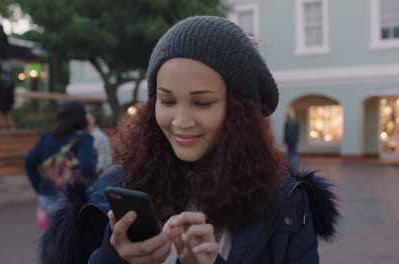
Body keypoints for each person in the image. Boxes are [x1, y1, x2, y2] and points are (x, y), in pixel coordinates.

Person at [41, 16, 339, 264]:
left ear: (239, 112)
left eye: (203, 103)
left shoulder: (286, 201)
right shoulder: (109, 191)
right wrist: (113, 258)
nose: (181, 121)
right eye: (167, 101)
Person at [24, 100, 98, 229]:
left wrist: (39, 187)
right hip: (71, 199)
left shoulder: (47, 136)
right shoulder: (84, 138)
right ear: (80, 117)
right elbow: (86, 166)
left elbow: (29, 161)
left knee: (49, 238)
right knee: (70, 241)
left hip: (46, 197)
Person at [86, 109, 113, 174]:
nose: (87, 122)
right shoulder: (81, 136)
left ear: (93, 120)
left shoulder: (100, 137)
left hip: (98, 174)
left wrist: (96, 171)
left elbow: (104, 158)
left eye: (88, 119)